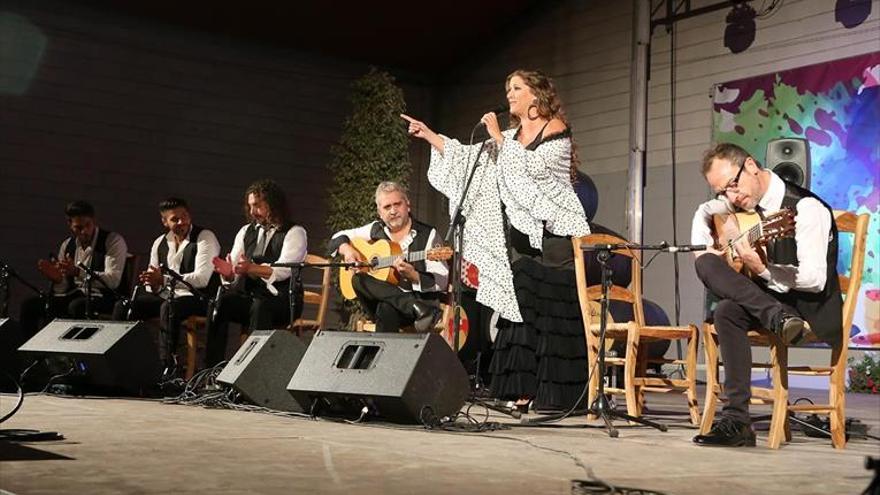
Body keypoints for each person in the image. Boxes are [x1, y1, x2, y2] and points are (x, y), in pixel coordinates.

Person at [402, 69, 591, 411]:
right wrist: (431, 137)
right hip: (521, 241)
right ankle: (524, 389)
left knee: (548, 312)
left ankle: (558, 395)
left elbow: (536, 173)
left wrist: (502, 142)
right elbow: (467, 159)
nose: (509, 94)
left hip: (553, 239)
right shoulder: (510, 135)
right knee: (518, 305)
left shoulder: (555, 130)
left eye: (516, 88)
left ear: (536, 95)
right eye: (507, 88)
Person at [690, 143, 841, 447]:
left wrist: (762, 270)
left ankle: (779, 317)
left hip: (807, 309)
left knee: (727, 308)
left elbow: (814, 279)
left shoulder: (805, 208)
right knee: (709, 269)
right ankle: (738, 423)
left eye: (732, 185)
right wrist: (711, 242)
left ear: (751, 166)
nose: (731, 197)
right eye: (723, 192)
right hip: (773, 306)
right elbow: (705, 210)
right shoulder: (741, 203)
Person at [112, 198, 220, 375]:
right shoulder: (160, 242)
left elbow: (202, 279)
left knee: (169, 308)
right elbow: (152, 282)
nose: (182, 222)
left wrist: (164, 280)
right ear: (164, 222)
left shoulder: (204, 237)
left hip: (199, 298)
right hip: (167, 296)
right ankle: (119, 363)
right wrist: (153, 283)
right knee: (124, 306)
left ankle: (166, 369)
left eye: (184, 216)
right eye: (175, 219)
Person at [207, 180, 307, 367]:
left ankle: (251, 374)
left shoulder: (295, 232)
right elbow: (236, 268)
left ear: (274, 204)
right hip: (252, 298)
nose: (253, 212)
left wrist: (251, 268)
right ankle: (211, 371)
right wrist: (229, 274)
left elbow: (284, 270)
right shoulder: (246, 231)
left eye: (258, 206)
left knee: (261, 307)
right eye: (250, 206)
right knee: (219, 304)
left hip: (283, 300)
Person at [329, 181, 448, 333]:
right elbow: (338, 237)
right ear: (380, 212)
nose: (393, 211)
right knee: (357, 279)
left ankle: (382, 355)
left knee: (386, 309)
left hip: (417, 304)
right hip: (411, 309)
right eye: (387, 207)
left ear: (408, 205)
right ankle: (414, 307)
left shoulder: (428, 234)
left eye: (397, 204)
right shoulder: (375, 229)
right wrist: (347, 250)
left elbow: (442, 279)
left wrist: (414, 276)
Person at [20, 201, 128, 338]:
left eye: (88, 225)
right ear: (70, 225)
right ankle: (35, 355)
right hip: (75, 295)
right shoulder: (68, 245)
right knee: (30, 305)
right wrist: (58, 279)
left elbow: (112, 281)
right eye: (78, 227)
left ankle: (73, 355)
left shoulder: (112, 240)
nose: (84, 231)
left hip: (105, 297)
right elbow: (63, 289)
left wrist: (78, 272)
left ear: (94, 221)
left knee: (76, 306)